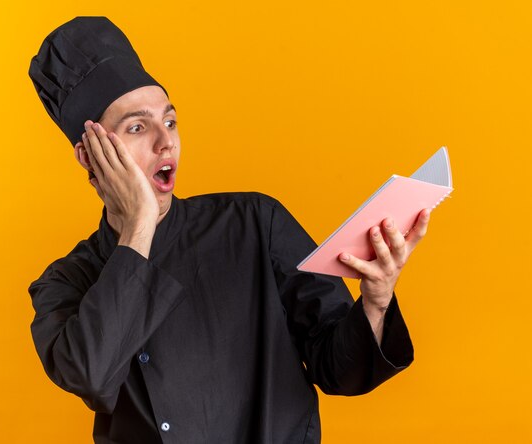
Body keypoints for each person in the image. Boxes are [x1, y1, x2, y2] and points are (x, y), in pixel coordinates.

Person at [27, 16, 429, 444]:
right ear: (89, 156)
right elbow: (91, 375)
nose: (166, 142)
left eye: (171, 121)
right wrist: (139, 226)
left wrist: (376, 302)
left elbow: (338, 369)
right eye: (137, 127)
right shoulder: (65, 280)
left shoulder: (256, 222)